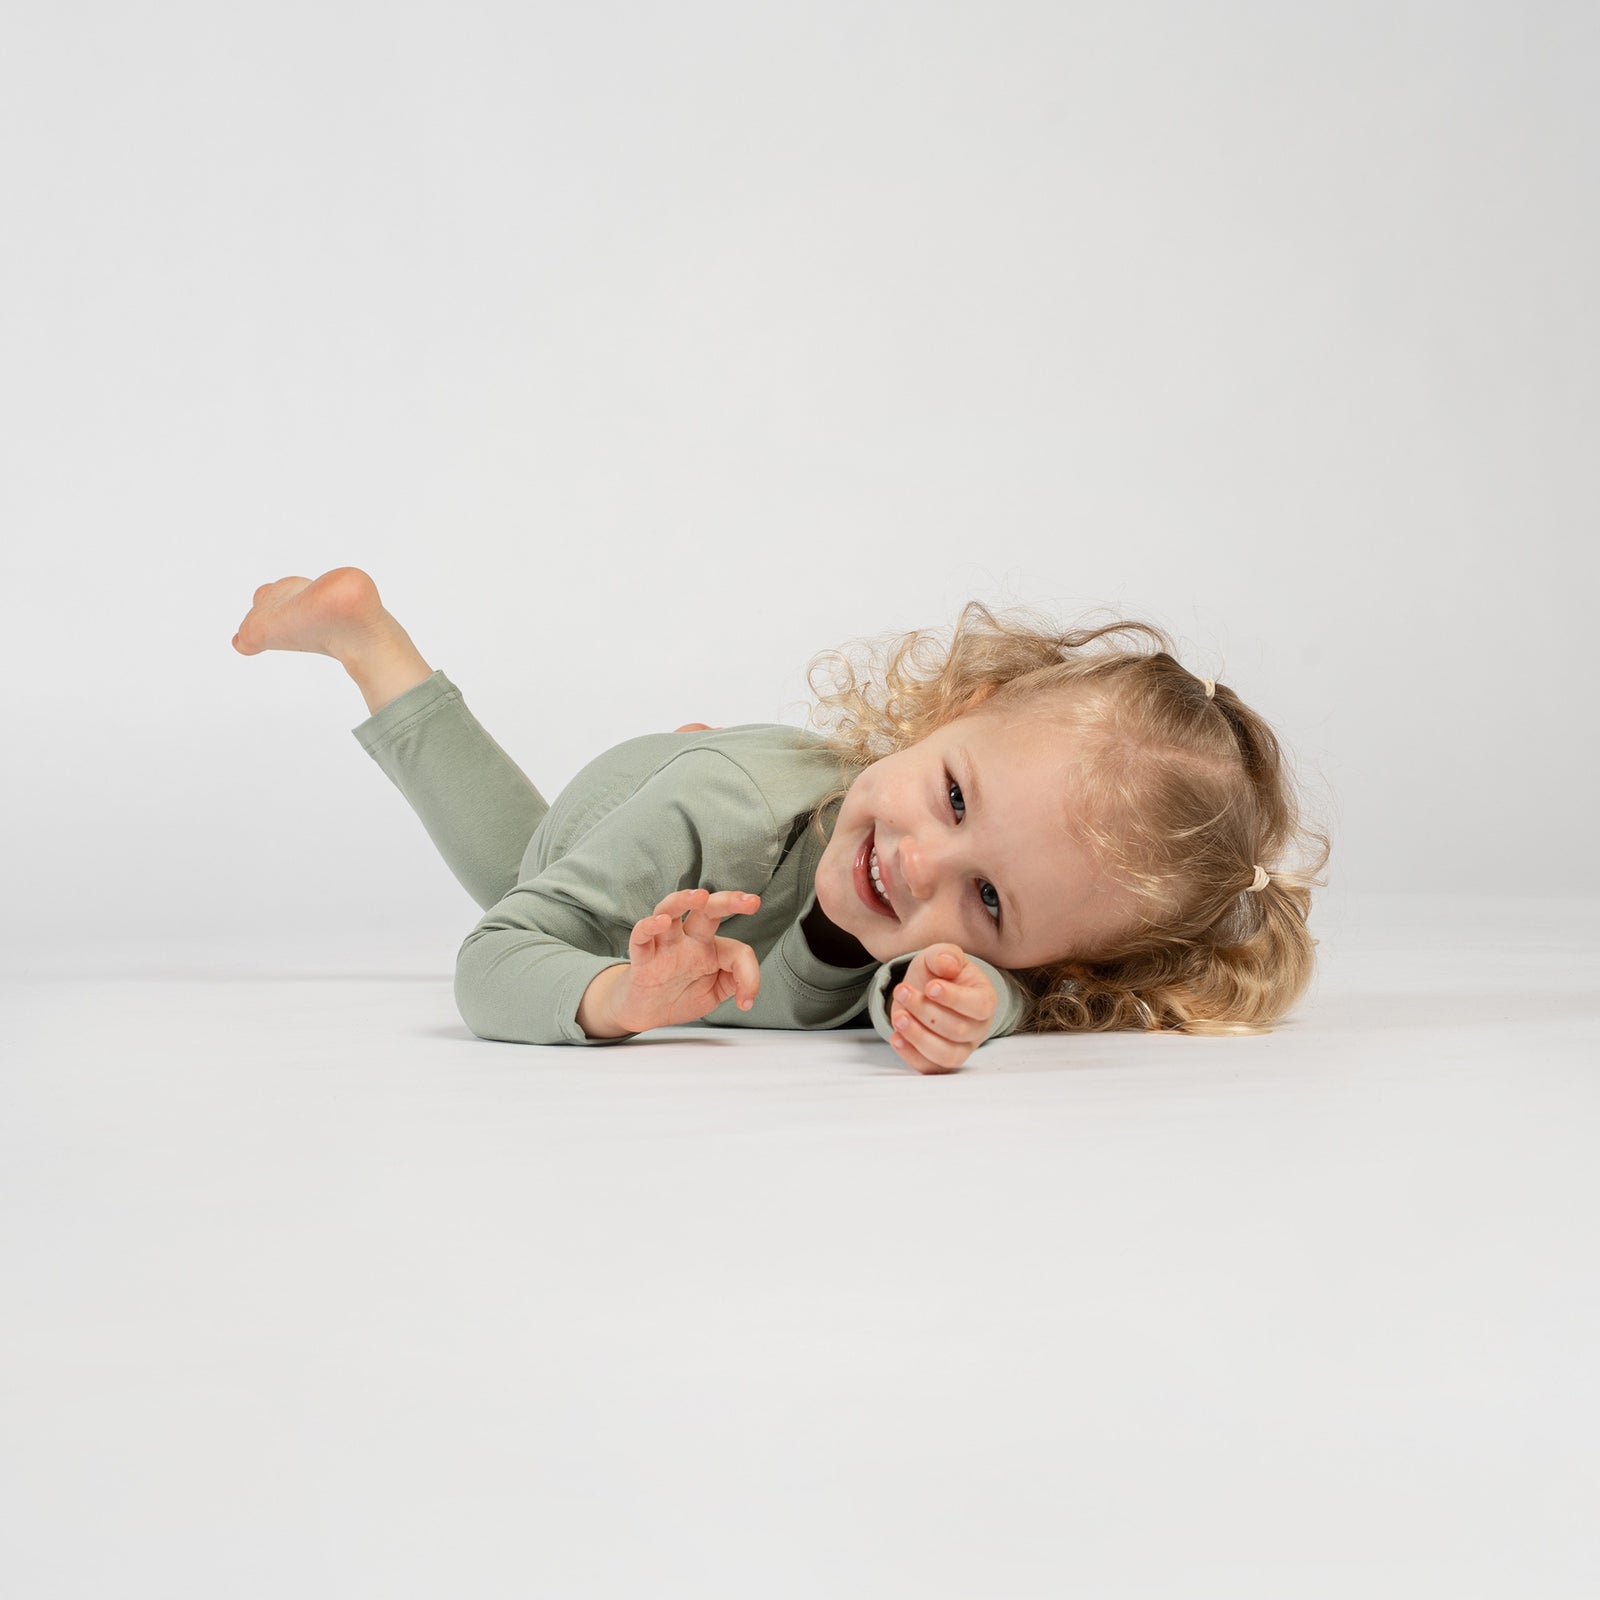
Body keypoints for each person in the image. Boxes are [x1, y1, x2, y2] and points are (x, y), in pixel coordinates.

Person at [232, 568, 1327, 1071]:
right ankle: (369, 642)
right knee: (513, 871)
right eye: (953, 796)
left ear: (1061, 956)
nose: (919, 866)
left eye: (989, 900)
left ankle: (368, 638)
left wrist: (969, 1005)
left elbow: (988, 994)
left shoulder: (985, 944)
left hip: (733, 790)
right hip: (678, 808)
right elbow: (493, 960)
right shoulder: (724, 813)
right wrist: (619, 998)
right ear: (963, 708)